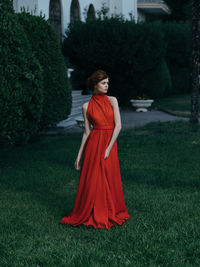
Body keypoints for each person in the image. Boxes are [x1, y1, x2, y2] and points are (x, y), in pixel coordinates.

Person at [61, 70, 131, 229]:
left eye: (107, 83)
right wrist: (79, 155)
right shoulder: (86, 106)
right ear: (94, 85)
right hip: (94, 144)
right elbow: (86, 132)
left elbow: (118, 126)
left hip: (109, 143)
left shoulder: (112, 100)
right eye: (103, 83)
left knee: (108, 176)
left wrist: (108, 148)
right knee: (94, 179)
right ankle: (93, 211)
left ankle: (109, 210)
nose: (107, 86)